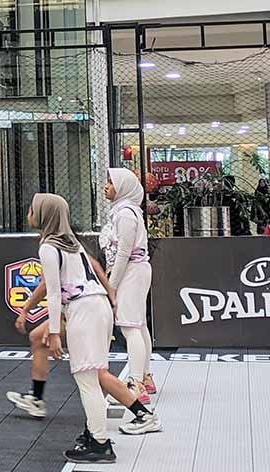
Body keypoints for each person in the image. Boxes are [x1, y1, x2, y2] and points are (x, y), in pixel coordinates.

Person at [29, 194, 160, 463]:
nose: (29, 213)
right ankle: (96, 432)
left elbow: (54, 294)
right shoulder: (72, 244)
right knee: (96, 373)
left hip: (83, 311)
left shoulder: (48, 247)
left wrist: (54, 333)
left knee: (87, 379)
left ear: (44, 215)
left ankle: (99, 443)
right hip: (98, 307)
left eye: (33, 209)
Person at [103, 169, 155, 404]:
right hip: (137, 269)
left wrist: (111, 285)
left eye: (111, 182)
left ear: (122, 187)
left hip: (132, 271)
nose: (106, 186)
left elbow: (124, 252)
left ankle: (136, 384)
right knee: (139, 324)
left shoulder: (125, 214)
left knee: (130, 326)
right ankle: (144, 376)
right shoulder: (127, 211)